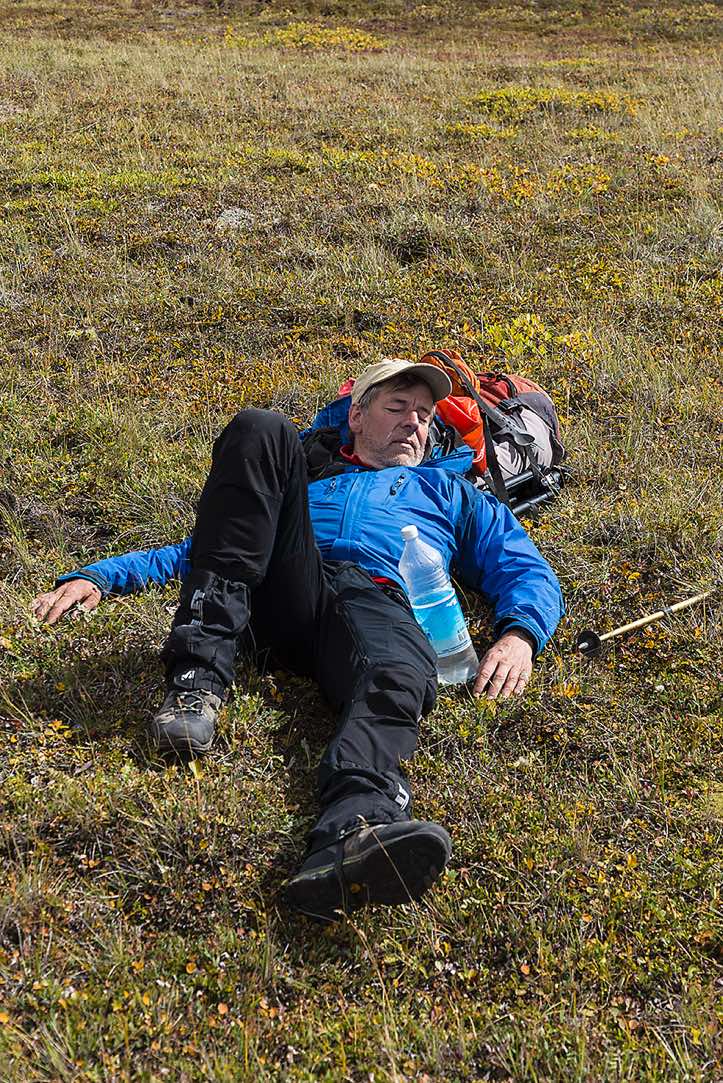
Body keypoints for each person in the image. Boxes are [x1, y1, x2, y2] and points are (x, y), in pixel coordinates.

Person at [31, 358, 564, 922]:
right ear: (357, 415)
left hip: (372, 600)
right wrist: (103, 575)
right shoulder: (308, 474)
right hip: (284, 589)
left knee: (399, 667)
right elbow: (211, 546)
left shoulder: (447, 490)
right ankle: (196, 684)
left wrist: (519, 635)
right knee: (262, 428)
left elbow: (523, 567)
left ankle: (356, 826)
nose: (415, 422)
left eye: (425, 414)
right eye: (397, 407)